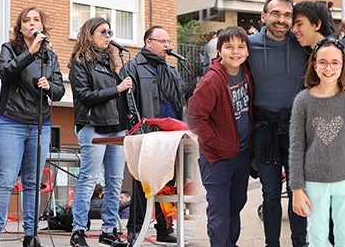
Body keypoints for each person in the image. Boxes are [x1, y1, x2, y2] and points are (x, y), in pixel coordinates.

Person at [0, 5, 65, 247]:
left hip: (39, 124)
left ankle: (31, 235)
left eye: (36, 20)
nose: (32, 23)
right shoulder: (9, 49)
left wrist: (50, 87)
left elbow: (60, 91)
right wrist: (30, 52)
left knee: (32, 182)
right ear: (20, 28)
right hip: (11, 122)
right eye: (27, 20)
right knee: (6, 179)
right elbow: (5, 73)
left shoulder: (50, 56)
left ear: (42, 26)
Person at [289, 38, 345, 247]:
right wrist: (296, 188)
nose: (328, 68)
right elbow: (296, 148)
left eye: (335, 63)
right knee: (317, 235)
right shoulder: (303, 101)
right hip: (313, 182)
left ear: (343, 66)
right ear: (314, 65)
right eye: (322, 62)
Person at [248, 0, 308, 247]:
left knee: (298, 192)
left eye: (287, 15)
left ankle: (299, 243)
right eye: (276, 14)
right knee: (270, 193)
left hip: (296, 130)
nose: (281, 20)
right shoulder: (247, 45)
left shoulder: (303, 45)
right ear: (264, 16)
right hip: (264, 130)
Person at [69, 16, 132, 247]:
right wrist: (116, 89)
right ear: (90, 34)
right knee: (89, 179)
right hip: (93, 126)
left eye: (110, 32)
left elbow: (117, 98)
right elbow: (84, 95)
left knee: (115, 181)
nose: (108, 36)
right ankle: (78, 231)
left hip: (117, 127)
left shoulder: (110, 63)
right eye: (103, 32)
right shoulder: (80, 62)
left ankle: (108, 230)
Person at [188, 26, 253, 247]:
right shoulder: (213, 80)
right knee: (219, 213)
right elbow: (195, 116)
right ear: (219, 51)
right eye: (229, 47)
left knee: (236, 206)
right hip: (217, 158)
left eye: (240, 47)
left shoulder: (246, 73)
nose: (235, 52)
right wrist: (217, 144)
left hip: (241, 154)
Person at [127, 26, 186, 245]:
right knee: (143, 184)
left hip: (170, 136)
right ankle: (134, 229)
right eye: (162, 41)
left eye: (168, 41)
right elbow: (128, 103)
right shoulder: (132, 67)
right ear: (147, 42)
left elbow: (180, 101)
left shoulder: (171, 70)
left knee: (167, 183)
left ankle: (164, 228)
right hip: (147, 135)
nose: (167, 46)